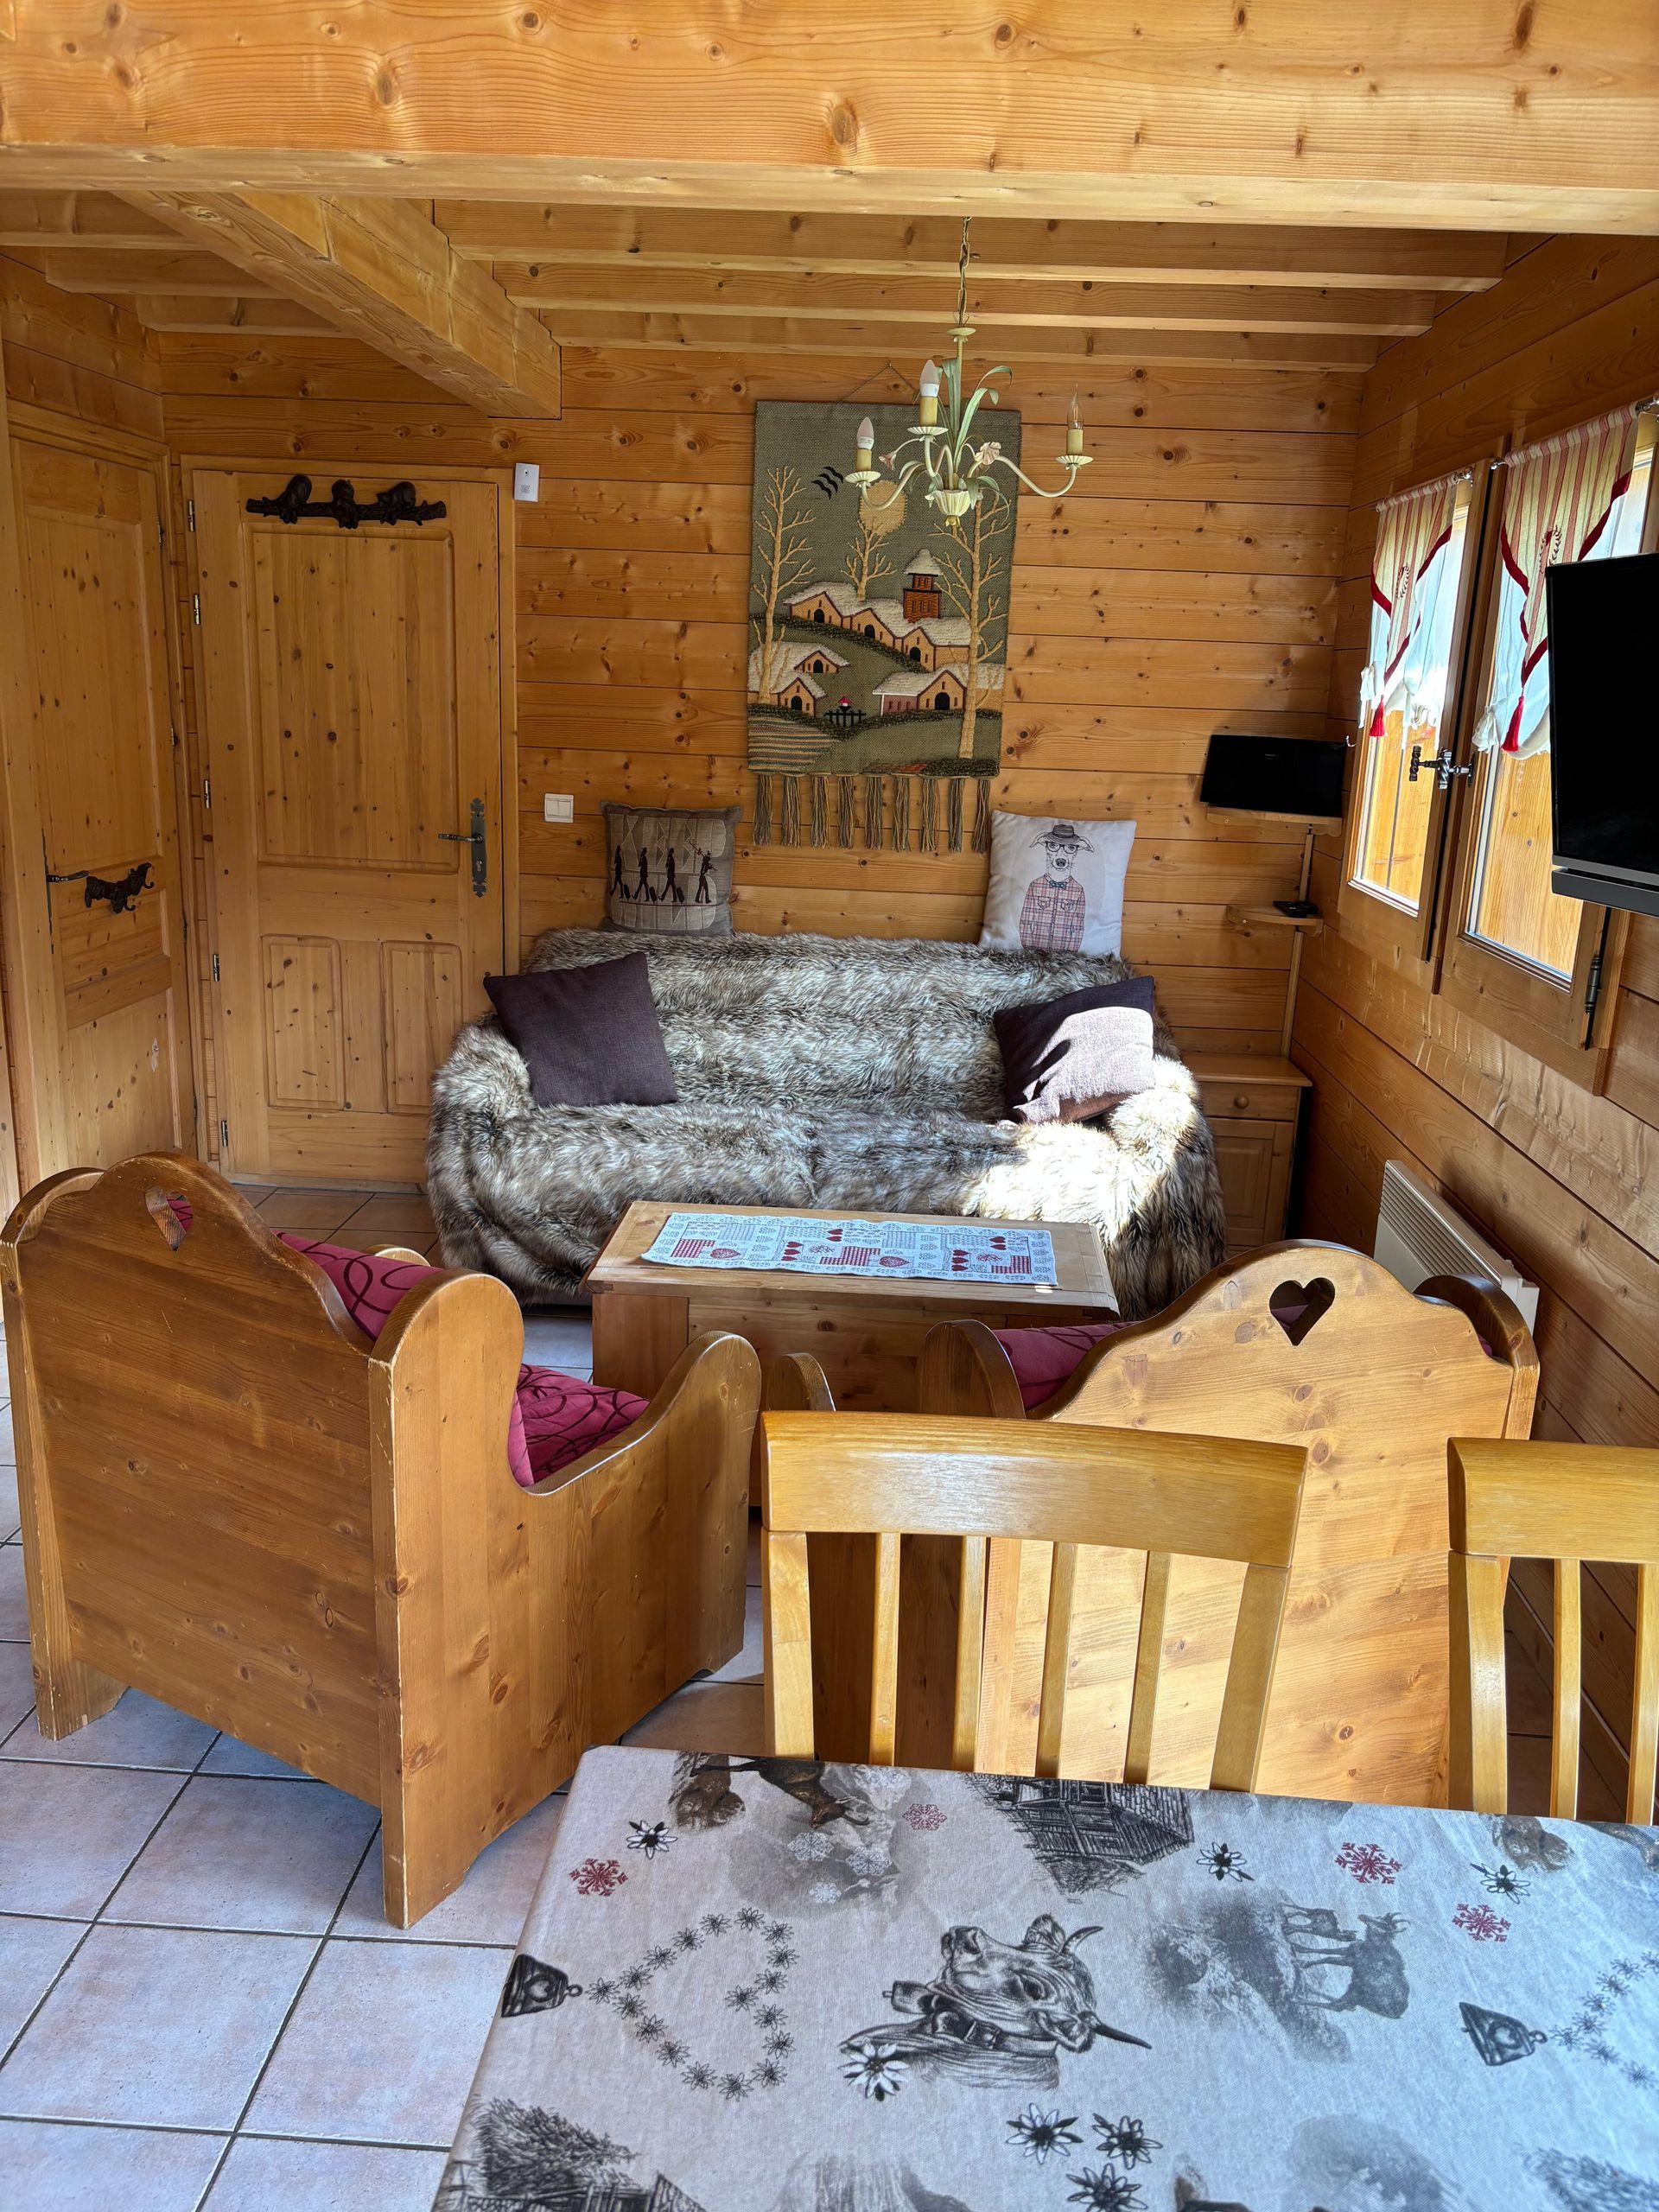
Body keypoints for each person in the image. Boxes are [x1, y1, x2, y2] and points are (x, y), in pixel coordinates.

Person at [1018, 821, 1094, 952]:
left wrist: (1068, 957)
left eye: (1070, 848)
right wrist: (1030, 953)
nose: (1061, 857)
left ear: (1077, 850)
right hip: (1034, 956)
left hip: (1063, 958)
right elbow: (1026, 922)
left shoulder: (1078, 890)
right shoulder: (1035, 886)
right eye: (1053, 846)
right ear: (1045, 846)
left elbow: (1077, 928)